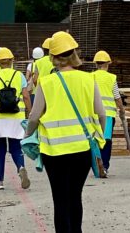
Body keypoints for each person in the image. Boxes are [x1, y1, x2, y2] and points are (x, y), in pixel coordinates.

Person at [26, 31, 106, 233]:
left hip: (54, 151)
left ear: (52, 57)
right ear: (74, 54)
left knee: (60, 199)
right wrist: (100, 137)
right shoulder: (88, 79)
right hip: (82, 149)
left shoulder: (47, 82)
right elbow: (102, 113)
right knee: (75, 196)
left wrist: (28, 135)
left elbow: (35, 116)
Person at [0, 47, 32, 190]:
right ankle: (21, 167)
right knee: (16, 148)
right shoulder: (19, 76)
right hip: (16, 117)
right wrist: (29, 113)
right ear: (12, 61)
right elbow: (25, 96)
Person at [92, 50, 125, 176]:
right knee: (106, 140)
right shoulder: (111, 78)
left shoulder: (91, 76)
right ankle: (104, 166)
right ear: (107, 64)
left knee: (95, 139)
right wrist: (122, 110)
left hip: (93, 114)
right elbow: (117, 97)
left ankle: (95, 164)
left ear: (96, 64)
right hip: (108, 115)